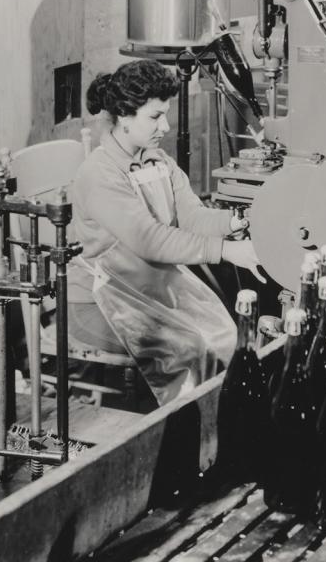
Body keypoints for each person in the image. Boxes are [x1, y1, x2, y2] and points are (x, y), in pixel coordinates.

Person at [69, 60, 265, 404]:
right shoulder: (99, 173)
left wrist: (236, 222)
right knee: (189, 348)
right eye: (155, 116)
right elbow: (149, 239)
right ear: (125, 117)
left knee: (225, 334)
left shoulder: (157, 161)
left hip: (150, 290)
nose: (167, 125)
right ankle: (186, 444)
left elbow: (191, 216)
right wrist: (226, 250)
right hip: (103, 300)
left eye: (166, 113)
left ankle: (217, 433)